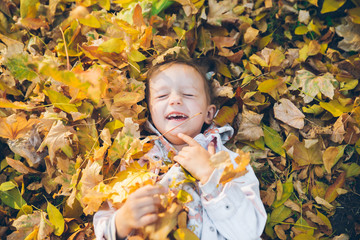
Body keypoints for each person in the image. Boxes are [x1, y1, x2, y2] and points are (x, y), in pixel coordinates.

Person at [93, 59, 267, 240]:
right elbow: (106, 218)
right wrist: (121, 222)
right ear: (151, 113)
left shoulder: (228, 162)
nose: (175, 100)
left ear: (208, 113)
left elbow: (249, 232)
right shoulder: (136, 159)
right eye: (162, 96)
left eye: (189, 94)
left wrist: (211, 176)